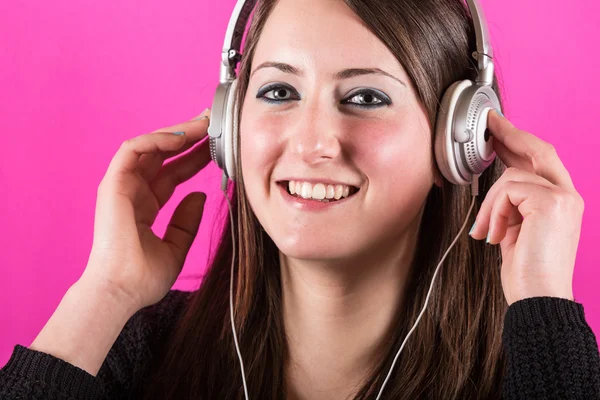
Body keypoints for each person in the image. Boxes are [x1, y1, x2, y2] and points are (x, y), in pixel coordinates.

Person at [1, 0, 599, 398]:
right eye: (279, 89)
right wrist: (104, 295)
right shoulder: (138, 355)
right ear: (230, 124)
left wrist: (545, 304)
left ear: (461, 141)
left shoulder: (535, 371)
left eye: (366, 98)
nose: (313, 141)